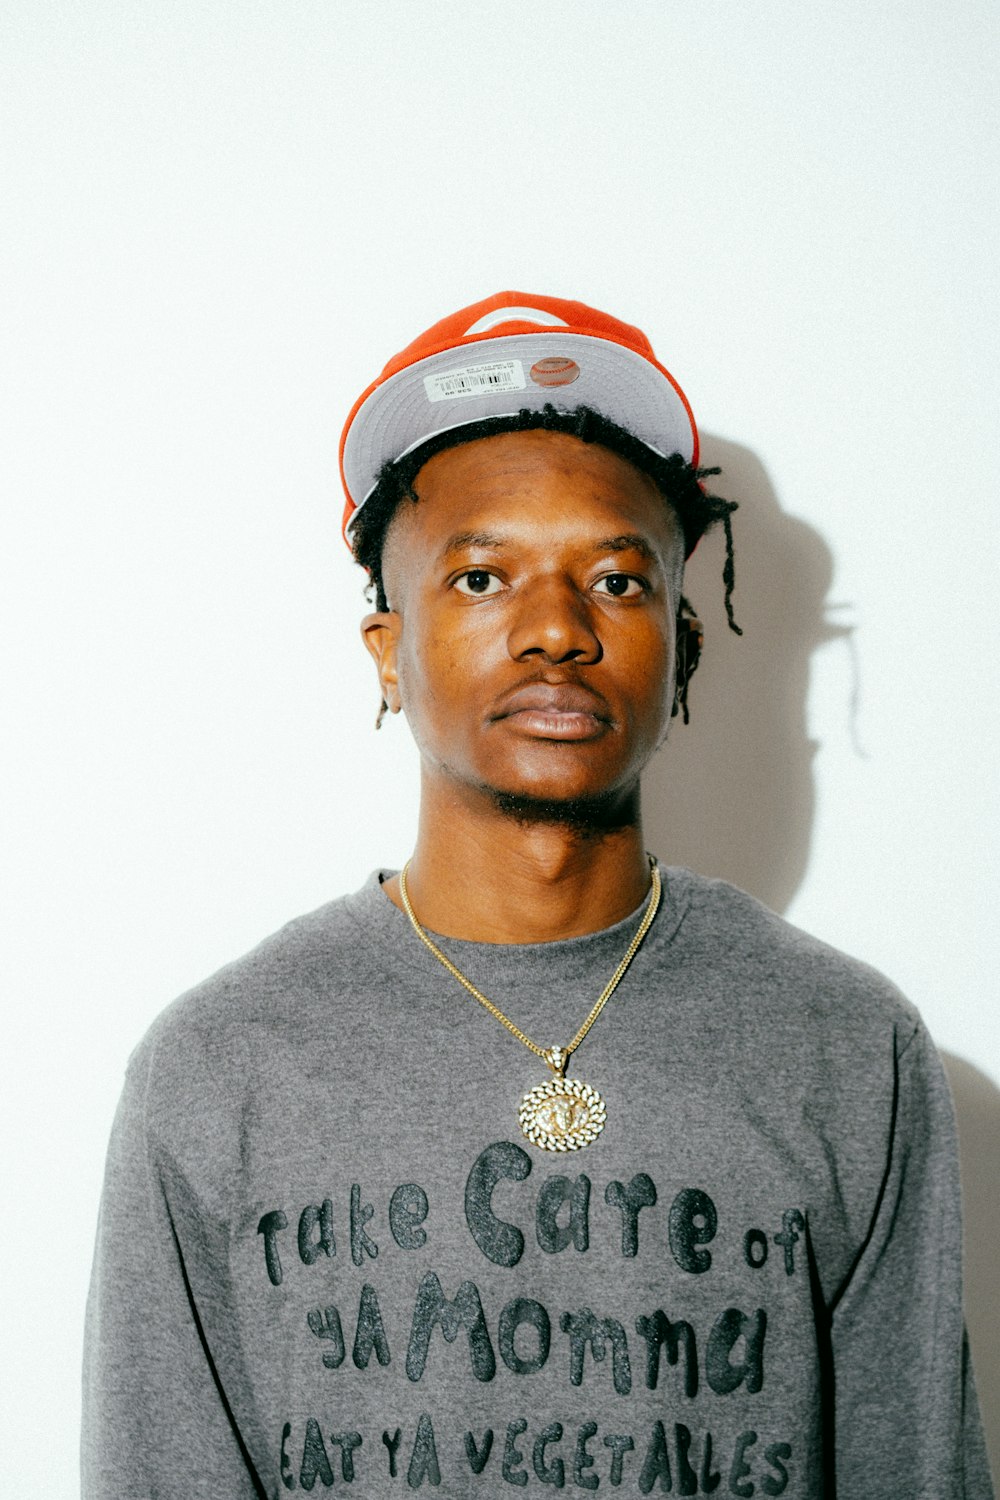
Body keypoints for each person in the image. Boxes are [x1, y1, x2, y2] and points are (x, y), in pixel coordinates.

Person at [83, 291, 993, 1497]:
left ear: (683, 642)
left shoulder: (844, 1045)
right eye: (479, 580)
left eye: (614, 581)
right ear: (388, 653)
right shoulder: (222, 1064)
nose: (555, 630)